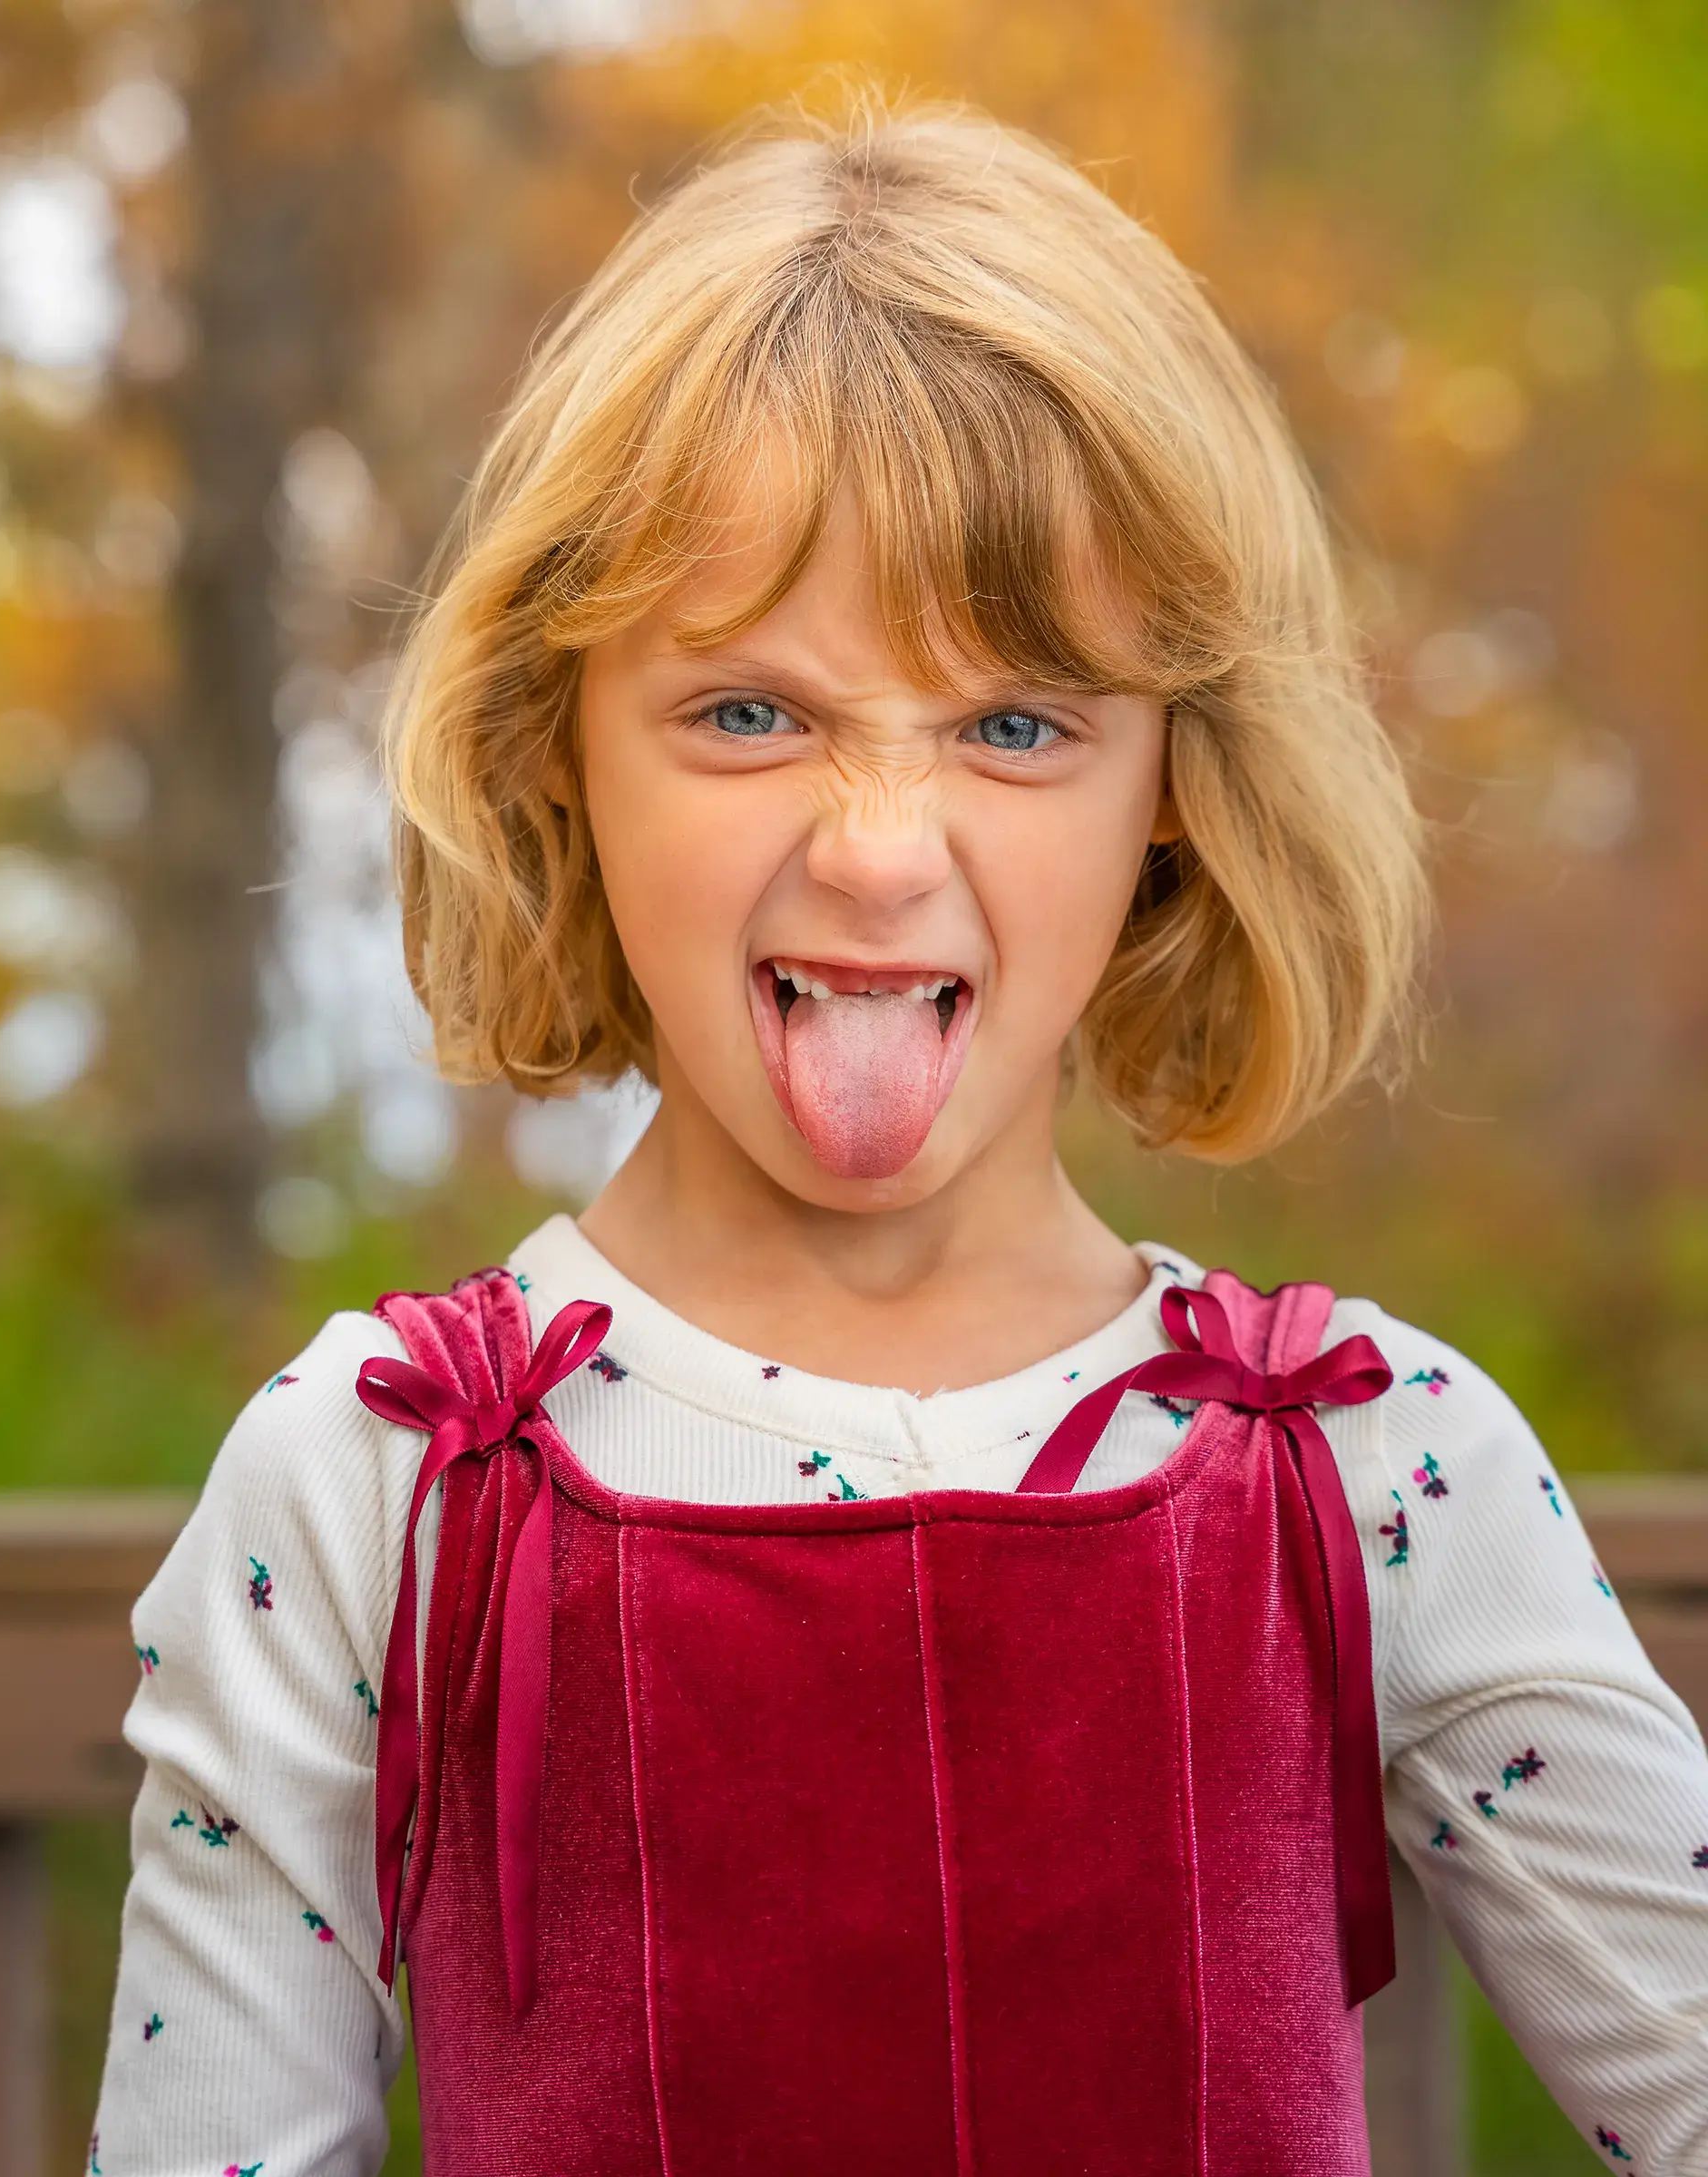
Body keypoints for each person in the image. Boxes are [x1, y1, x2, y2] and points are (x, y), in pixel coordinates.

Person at [92, 98, 1708, 2176]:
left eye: (1015, 725)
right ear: (553, 743)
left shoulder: (1384, 1471)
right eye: (749, 712)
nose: (877, 853)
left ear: (1175, 791)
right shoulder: (367, 1485)